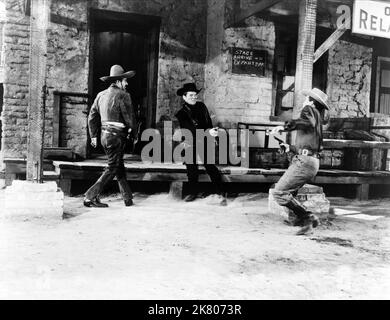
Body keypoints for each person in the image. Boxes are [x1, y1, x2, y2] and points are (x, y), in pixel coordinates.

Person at [270, 88, 330, 235]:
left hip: (305, 162)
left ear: (311, 101)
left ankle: (308, 218)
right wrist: (289, 147)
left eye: (306, 99)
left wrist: (283, 127)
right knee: (289, 191)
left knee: (279, 192)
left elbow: (305, 123)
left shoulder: (309, 110)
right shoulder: (317, 119)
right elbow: (307, 145)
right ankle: (302, 219)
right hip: (310, 161)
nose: (303, 101)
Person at [83, 65, 136, 208]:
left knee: (118, 165)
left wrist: (93, 136)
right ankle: (90, 196)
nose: (127, 83)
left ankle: (127, 198)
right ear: (118, 81)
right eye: (125, 80)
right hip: (117, 137)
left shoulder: (101, 95)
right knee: (113, 167)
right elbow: (129, 118)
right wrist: (134, 133)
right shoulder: (124, 95)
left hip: (104, 137)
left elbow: (92, 117)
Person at [175, 83, 227, 206]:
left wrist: (212, 132)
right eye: (191, 95)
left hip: (204, 139)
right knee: (191, 167)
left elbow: (207, 122)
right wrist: (206, 132)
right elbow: (190, 130)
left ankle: (220, 191)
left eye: (195, 95)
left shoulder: (202, 106)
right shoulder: (181, 114)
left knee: (210, 166)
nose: (194, 97)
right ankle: (193, 192)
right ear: (184, 97)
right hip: (190, 141)